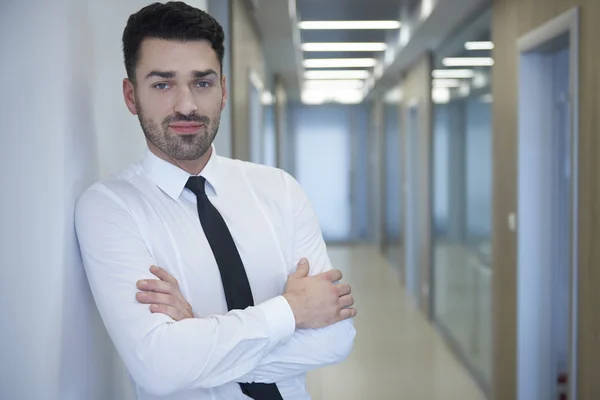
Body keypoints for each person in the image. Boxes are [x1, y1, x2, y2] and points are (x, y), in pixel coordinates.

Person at [74, 2, 357, 399]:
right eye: (162, 84)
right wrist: (291, 311)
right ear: (131, 95)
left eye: (202, 83)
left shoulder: (280, 190)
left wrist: (200, 331)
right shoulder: (110, 209)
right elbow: (160, 368)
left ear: (223, 90)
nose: (186, 105)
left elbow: (334, 339)